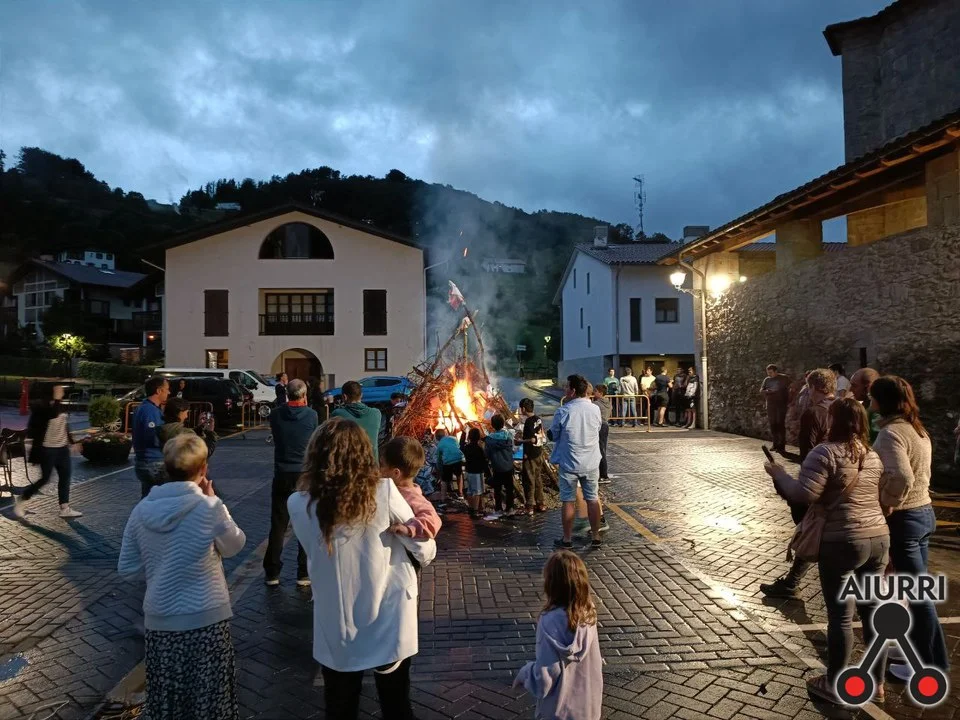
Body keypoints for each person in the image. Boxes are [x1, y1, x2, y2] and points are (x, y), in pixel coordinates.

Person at [288, 418, 436, 720]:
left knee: (340, 705)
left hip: (337, 617)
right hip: (389, 612)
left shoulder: (298, 502)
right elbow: (423, 548)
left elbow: (312, 550)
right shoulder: (384, 492)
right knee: (396, 704)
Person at [764, 399, 889, 705]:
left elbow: (803, 494)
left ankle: (835, 684)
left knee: (841, 616)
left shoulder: (825, 452)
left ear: (834, 420)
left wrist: (778, 474)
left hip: (842, 540)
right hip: (878, 538)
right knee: (872, 612)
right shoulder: (872, 455)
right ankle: (877, 683)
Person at [118, 433, 246, 720]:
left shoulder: (141, 511)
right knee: (209, 702)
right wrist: (217, 503)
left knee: (169, 702)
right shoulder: (209, 508)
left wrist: (160, 566)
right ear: (203, 469)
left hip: (161, 622)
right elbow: (234, 545)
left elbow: (127, 568)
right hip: (206, 620)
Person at [872, 376, 949, 681]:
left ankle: (929, 665)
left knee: (918, 595)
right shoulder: (916, 429)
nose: (869, 401)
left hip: (905, 518)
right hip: (923, 513)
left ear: (881, 401)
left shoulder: (891, 433)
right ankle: (912, 651)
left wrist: (888, 503)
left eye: (873, 397)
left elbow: (902, 477)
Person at [760, 368, 836, 599]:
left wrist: (801, 476)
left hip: (820, 477)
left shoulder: (814, 413)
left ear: (813, 387)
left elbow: (808, 450)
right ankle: (792, 581)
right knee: (813, 527)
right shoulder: (844, 408)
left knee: (809, 527)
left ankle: (796, 583)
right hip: (844, 474)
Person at [513, 551, 603, 720]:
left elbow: (545, 677)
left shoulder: (549, 620)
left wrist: (525, 673)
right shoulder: (588, 612)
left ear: (551, 584)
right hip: (587, 708)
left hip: (558, 711)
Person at [263, 379, 318, 588]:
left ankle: (272, 572)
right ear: (304, 395)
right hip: (304, 473)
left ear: (287, 394)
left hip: (282, 472)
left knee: (278, 524)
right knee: (306, 521)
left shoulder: (276, 415)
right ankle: (303, 572)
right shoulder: (312, 415)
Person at [549, 375, 602, 548]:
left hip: (569, 462)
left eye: (567, 387)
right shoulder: (595, 409)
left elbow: (553, 434)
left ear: (572, 391)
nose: (564, 389)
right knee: (592, 499)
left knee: (568, 500)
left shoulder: (563, 411)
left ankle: (567, 539)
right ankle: (596, 536)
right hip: (591, 462)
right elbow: (597, 428)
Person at [15, 384, 83, 519]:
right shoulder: (41, 407)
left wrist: (73, 442)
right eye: (58, 389)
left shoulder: (59, 405)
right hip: (48, 449)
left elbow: (64, 425)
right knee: (45, 479)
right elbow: (52, 414)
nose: (62, 391)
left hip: (62, 449)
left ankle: (65, 508)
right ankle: (23, 497)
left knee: (65, 477)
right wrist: (57, 400)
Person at [382, 436, 442, 540]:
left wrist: (409, 529)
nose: (379, 469)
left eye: (382, 465)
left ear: (396, 473)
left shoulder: (412, 496)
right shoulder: (394, 488)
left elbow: (434, 520)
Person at [133, 376, 170, 498]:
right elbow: (153, 436)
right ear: (158, 391)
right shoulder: (150, 411)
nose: (169, 392)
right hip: (153, 462)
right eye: (166, 389)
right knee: (160, 499)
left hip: (146, 461)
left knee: (148, 498)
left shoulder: (144, 407)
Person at [331, 380, 383, 461]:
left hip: (349, 464)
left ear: (344, 397)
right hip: (371, 464)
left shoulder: (338, 414)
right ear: (361, 395)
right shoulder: (376, 413)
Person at [516, 398, 547, 512]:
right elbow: (540, 435)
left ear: (523, 409)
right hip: (539, 453)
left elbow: (533, 439)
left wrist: (520, 441)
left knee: (529, 480)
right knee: (538, 478)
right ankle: (541, 503)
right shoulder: (538, 419)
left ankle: (530, 505)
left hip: (530, 455)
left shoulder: (528, 422)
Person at [485, 414, 517, 516]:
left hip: (497, 467)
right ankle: (510, 508)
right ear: (503, 424)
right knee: (509, 488)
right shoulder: (509, 436)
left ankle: (498, 508)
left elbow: (487, 454)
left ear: (492, 425)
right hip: (508, 466)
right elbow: (513, 449)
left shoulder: (489, 439)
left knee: (497, 489)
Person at [761, 364, 789, 453]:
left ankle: (782, 446)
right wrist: (767, 391)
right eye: (768, 373)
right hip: (770, 405)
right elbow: (761, 390)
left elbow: (791, 388)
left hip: (781, 405)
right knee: (773, 425)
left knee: (780, 424)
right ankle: (775, 444)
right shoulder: (767, 380)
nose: (769, 374)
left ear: (776, 371)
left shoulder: (784, 378)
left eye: (770, 372)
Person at [461, 428, 489, 517]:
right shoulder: (479, 449)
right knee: (477, 491)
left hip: (468, 471)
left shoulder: (466, 447)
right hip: (477, 472)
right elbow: (484, 460)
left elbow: (461, 446)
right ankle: (475, 511)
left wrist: (463, 434)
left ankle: (471, 507)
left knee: (470, 490)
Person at [850, 368, 881, 443]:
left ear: (868, 387)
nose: (850, 389)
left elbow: (873, 440)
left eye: (854, 386)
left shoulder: (877, 411)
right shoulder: (864, 406)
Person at [434, 428, 465, 502]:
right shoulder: (453, 439)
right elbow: (457, 447)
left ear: (437, 438)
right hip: (458, 459)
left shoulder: (439, 445)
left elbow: (439, 459)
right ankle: (460, 493)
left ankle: (443, 498)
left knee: (444, 480)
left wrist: (439, 470)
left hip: (447, 462)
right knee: (459, 475)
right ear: (445, 434)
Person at [593, 386, 612, 486]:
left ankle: (603, 475)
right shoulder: (608, 403)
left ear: (600, 393)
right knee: (602, 449)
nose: (594, 392)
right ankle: (602, 474)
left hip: (600, 426)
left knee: (600, 451)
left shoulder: (596, 404)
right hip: (605, 426)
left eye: (595, 391)